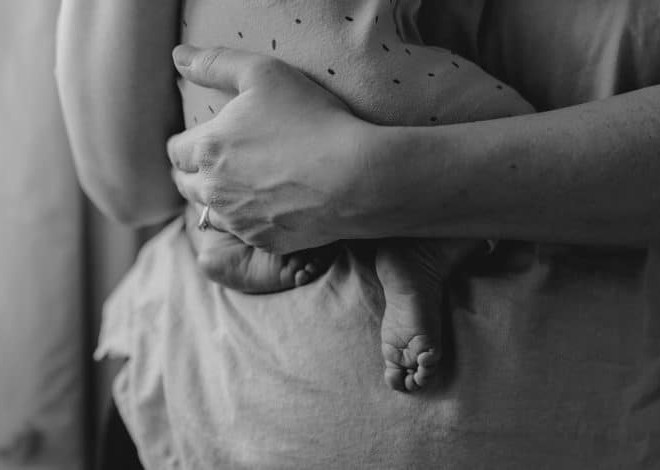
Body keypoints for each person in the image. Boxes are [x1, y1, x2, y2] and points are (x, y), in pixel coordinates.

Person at [57, 0, 660, 468]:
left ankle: (423, 240)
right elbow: (129, 186)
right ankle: (222, 229)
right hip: (205, 410)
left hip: (587, 423)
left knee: (353, 58)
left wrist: (380, 185)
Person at [57, 0, 533, 393]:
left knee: (218, 93)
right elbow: (129, 191)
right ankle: (422, 243)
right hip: (358, 75)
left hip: (218, 83)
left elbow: (132, 188)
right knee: (497, 120)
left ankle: (214, 227)